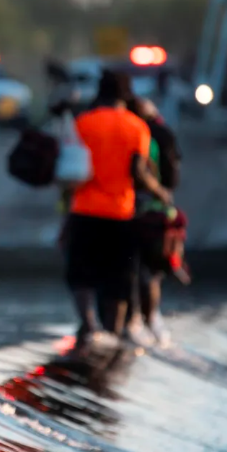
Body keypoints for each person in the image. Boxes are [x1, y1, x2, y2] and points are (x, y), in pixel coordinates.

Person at [65, 71, 172, 346]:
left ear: (99, 94)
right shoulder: (136, 126)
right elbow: (138, 171)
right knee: (120, 275)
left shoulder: (83, 123)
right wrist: (159, 190)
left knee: (81, 272)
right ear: (125, 94)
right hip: (120, 212)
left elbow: (71, 168)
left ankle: (88, 325)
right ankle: (113, 332)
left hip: (84, 209)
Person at [126, 97, 186, 343]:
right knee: (151, 271)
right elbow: (172, 177)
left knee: (128, 268)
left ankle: (131, 321)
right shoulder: (161, 133)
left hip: (121, 211)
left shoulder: (125, 130)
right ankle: (151, 320)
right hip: (154, 212)